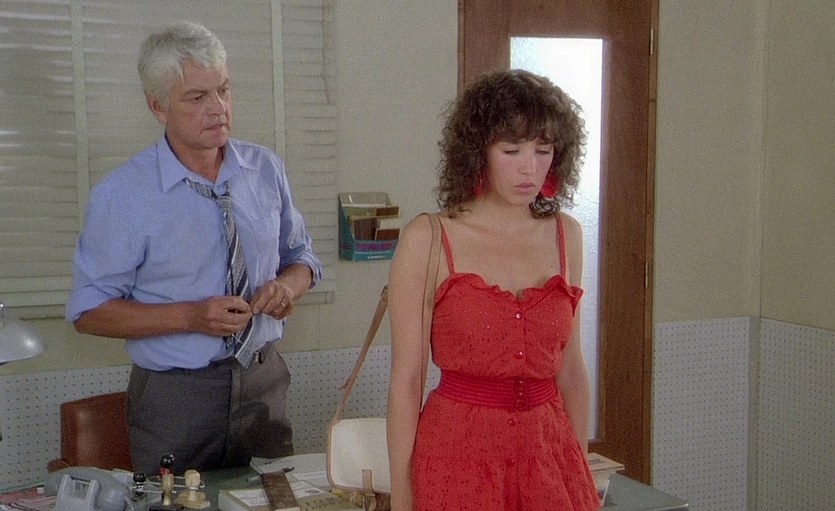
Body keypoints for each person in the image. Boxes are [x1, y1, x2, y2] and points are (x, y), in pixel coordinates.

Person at [66, 21, 322, 476]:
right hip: (176, 397)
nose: (218, 109)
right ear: (158, 106)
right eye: (198, 97)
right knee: (176, 506)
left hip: (263, 383)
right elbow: (88, 312)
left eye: (224, 90)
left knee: (274, 502)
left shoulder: (266, 169)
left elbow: (302, 259)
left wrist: (287, 288)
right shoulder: (122, 195)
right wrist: (190, 317)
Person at [387, 69, 600, 510]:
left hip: (549, 459)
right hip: (456, 460)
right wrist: (403, 498)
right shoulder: (428, 238)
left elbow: (571, 371)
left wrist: (576, 468)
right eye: (511, 150)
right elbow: (407, 381)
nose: (529, 168)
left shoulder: (567, 235)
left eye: (543, 151)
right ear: (477, 151)